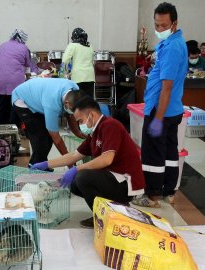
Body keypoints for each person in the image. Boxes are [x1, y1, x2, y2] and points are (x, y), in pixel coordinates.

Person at [30, 96, 144, 228]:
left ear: (92, 115)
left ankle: (104, 218)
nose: (80, 125)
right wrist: (46, 164)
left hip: (126, 183)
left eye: (80, 121)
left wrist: (77, 169)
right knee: (74, 184)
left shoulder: (110, 125)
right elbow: (74, 155)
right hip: (113, 178)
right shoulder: (95, 132)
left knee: (83, 177)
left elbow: (107, 159)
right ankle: (106, 211)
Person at [131, 2, 187, 208]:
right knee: (170, 151)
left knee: (153, 152)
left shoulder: (172, 47)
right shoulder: (174, 42)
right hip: (173, 109)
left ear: (174, 23)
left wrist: (158, 119)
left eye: (164, 25)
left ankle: (152, 195)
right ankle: (169, 190)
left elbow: (167, 88)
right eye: (157, 25)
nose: (160, 29)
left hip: (161, 110)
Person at [11, 78, 84, 164]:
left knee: (48, 138)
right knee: (40, 136)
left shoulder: (75, 89)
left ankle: (41, 163)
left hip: (40, 94)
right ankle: (35, 166)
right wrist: (70, 162)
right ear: (67, 104)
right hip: (23, 98)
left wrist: (79, 133)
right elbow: (56, 137)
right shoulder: (52, 105)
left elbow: (70, 115)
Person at [0, 29, 37, 127]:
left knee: (1, 106)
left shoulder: (2, 45)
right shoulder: (24, 48)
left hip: (2, 81)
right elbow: (28, 65)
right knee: (15, 105)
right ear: (22, 39)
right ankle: (15, 128)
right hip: (16, 81)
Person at [62, 28, 95, 97]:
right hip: (90, 76)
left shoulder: (72, 45)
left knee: (78, 100)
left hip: (78, 76)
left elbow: (65, 60)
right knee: (88, 99)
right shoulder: (90, 46)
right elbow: (92, 60)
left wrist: (66, 72)